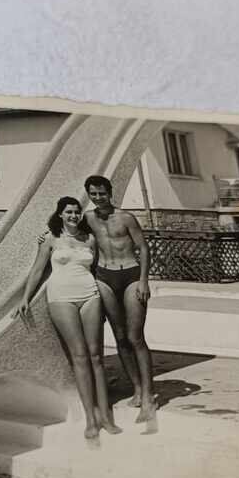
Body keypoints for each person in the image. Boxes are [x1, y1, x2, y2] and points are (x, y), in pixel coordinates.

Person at [14, 197, 121, 439]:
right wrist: (25, 298)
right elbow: (38, 270)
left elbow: (96, 269)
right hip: (61, 297)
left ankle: (106, 416)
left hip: (90, 295)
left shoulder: (89, 238)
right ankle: (91, 420)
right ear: (60, 214)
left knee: (96, 357)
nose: (73, 216)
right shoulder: (50, 239)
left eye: (76, 212)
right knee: (80, 357)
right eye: (69, 212)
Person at [83, 175, 157, 424]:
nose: (98, 198)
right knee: (120, 336)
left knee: (136, 337)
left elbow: (144, 248)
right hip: (104, 276)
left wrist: (144, 280)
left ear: (109, 192)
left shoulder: (126, 217)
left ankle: (148, 397)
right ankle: (136, 387)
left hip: (130, 275)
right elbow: (66, 231)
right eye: (93, 194)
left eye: (101, 193)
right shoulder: (89, 219)